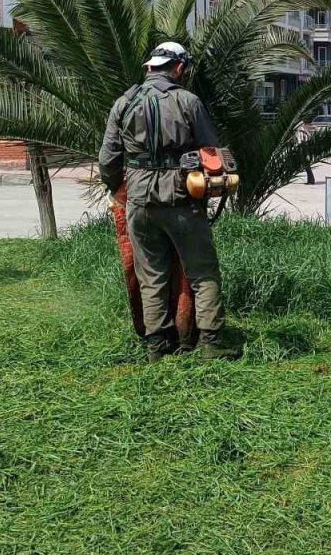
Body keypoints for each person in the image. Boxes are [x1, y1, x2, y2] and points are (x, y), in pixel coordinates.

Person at [99, 42, 240, 362]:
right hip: (181, 198)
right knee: (202, 270)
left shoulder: (123, 103)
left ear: (150, 67)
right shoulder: (188, 101)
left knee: (150, 274)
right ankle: (210, 342)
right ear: (178, 68)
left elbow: (108, 160)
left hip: (138, 200)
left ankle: (156, 345)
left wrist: (119, 187)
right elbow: (211, 153)